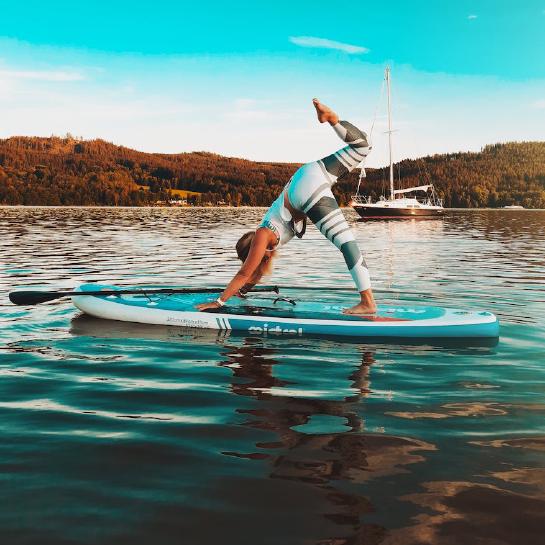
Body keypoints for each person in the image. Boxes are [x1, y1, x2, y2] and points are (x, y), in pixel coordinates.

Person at [196, 99, 377, 315]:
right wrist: (241, 292)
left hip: (306, 189)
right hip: (309, 174)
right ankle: (332, 120)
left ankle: (367, 302)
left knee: (347, 244)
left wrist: (219, 302)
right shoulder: (267, 245)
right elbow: (252, 275)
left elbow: (245, 273)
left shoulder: (263, 234)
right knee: (363, 146)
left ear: (252, 252)